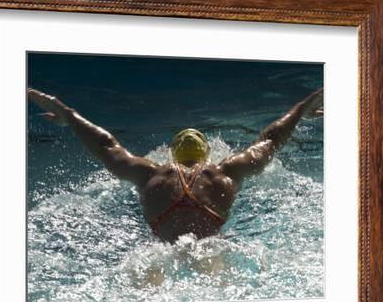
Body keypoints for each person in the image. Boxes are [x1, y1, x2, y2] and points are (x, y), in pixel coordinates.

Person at [28, 87, 323, 243]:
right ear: (207, 153)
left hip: (159, 252)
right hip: (211, 248)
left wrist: (68, 114)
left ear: (171, 154)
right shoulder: (224, 173)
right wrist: (302, 109)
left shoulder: (151, 175)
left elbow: (107, 146)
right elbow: (270, 140)